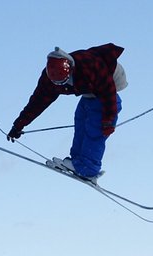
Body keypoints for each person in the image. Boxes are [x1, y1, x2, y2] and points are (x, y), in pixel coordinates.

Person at [7, 44, 126, 180]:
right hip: (89, 90)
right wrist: (19, 125)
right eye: (58, 83)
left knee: (95, 126)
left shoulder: (88, 66)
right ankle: (77, 161)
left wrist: (108, 119)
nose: (61, 85)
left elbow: (108, 90)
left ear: (71, 69)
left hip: (112, 79)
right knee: (81, 118)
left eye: (64, 81)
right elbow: (37, 102)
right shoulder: (49, 80)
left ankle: (89, 168)